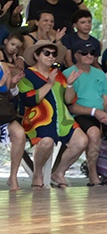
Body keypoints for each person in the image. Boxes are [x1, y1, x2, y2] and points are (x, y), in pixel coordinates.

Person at [17, 40, 89, 189]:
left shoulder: (58, 75)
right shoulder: (27, 75)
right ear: (36, 55)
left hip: (62, 119)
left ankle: (59, 173)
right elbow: (30, 100)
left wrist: (69, 84)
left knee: (82, 141)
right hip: (38, 119)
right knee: (46, 142)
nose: (51, 56)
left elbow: (69, 100)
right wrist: (49, 83)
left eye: (54, 54)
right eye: (47, 53)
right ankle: (37, 174)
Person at [63, 38, 107, 187]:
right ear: (76, 55)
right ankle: (93, 174)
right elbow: (70, 106)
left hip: (101, 114)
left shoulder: (99, 74)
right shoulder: (68, 73)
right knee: (94, 133)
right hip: (80, 115)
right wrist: (95, 112)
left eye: (92, 52)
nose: (89, 55)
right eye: (84, 52)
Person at [2, 57, 27, 190]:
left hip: (2, 114)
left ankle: (13, 176)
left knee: (19, 133)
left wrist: (12, 84)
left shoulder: (3, 67)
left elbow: (10, 94)